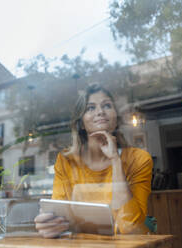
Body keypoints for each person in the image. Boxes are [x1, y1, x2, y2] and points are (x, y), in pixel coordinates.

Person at [35, 84, 153, 238]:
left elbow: (130, 227)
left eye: (107, 105)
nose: (100, 112)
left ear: (116, 119)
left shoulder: (139, 159)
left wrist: (115, 160)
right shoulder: (66, 161)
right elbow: (61, 219)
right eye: (90, 108)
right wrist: (50, 225)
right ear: (81, 123)